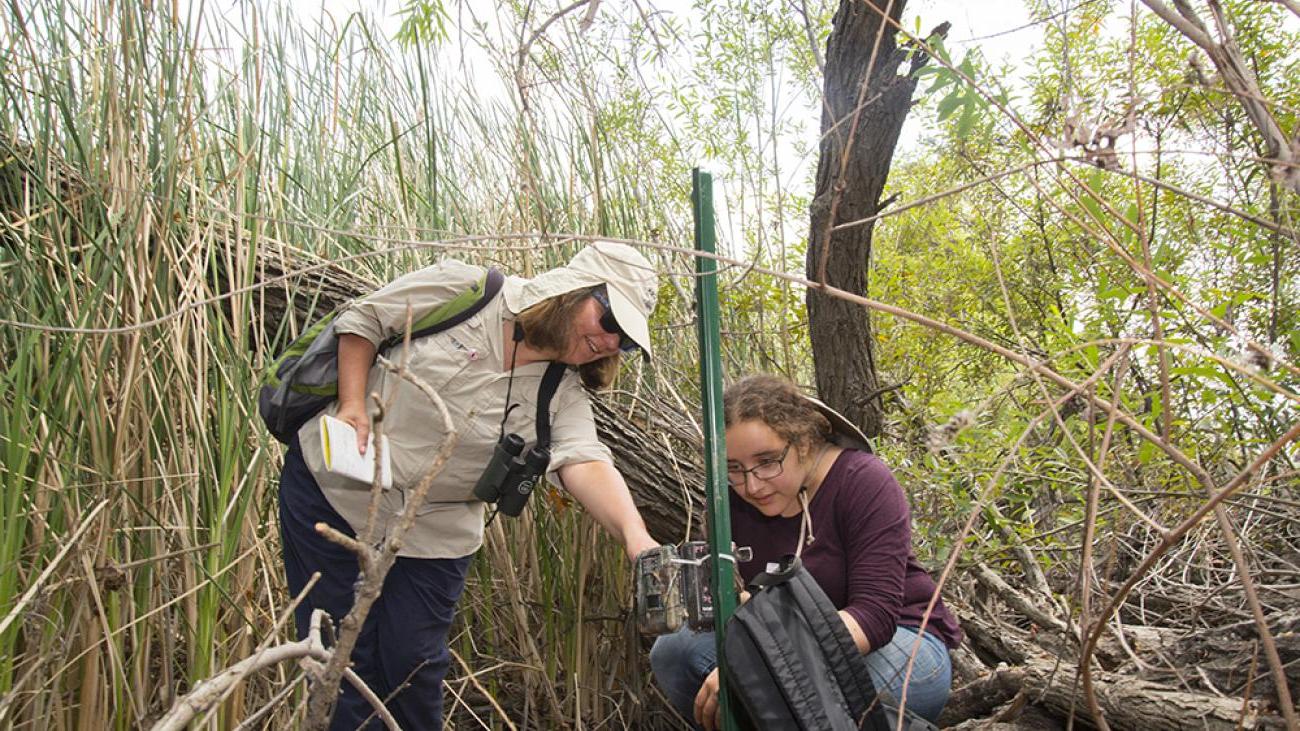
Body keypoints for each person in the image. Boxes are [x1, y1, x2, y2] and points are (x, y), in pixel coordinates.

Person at [277, 241, 663, 730]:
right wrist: (353, 404)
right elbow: (365, 321)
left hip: (435, 532)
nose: (611, 344)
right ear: (573, 291)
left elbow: (584, 459)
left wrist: (636, 537)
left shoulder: (560, 392)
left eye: (625, 341)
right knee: (342, 663)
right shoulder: (469, 291)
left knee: (415, 667)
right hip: (334, 496)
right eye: (611, 323)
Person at [650, 374, 963, 729]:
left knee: (792, 690)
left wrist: (759, 667)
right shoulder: (730, 500)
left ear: (803, 442)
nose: (752, 485)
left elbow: (874, 618)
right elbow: (737, 606)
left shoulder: (863, 481)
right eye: (734, 468)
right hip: (785, 646)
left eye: (768, 461)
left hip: (902, 645)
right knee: (676, 652)